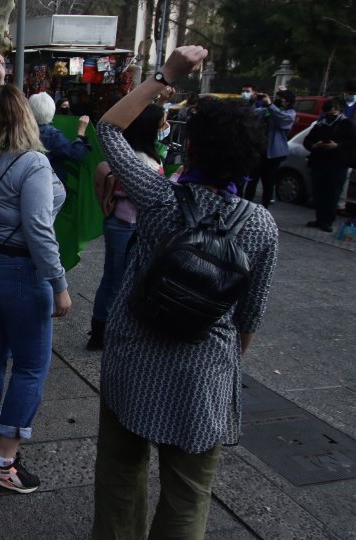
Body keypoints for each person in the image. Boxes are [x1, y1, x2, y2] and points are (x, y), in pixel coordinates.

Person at [90, 46, 279, 538]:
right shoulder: (261, 226)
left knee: (118, 480)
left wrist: (165, 76)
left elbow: (108, 129)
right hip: (204, 373)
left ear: (190, 149)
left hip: (134, 359)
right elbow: (248, 320)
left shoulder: (159, 197)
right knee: (189, 497)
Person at [0, 53, 70, 494]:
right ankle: (5, 461)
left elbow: (1, 109)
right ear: (27, 117)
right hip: (22, 271)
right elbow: (40, 231)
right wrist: (60, 284)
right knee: (30, 367)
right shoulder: (34, 164)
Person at [86, 105, 167, 351]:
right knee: (121, 282)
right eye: (161, 124)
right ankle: (109, 332)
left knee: (110, 277)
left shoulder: (124, 153)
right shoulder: (144, 160)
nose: (164, 128)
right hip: (129, 226)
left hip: (116, 224)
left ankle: (99, 329)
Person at [303, 98, 356, 232]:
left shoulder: (346, 124)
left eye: (332, 114)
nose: (329, 116)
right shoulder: (321, 123)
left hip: (337, 164)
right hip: (319, 162)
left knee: (332, 194)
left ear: (338, 110)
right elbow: (307, 140)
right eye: (327, 114)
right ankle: (319, 218)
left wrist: (337, 145)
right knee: (319, 193)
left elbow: (352, 142)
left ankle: (328, 221)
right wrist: (314, 145)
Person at [243, 89, 295, 208]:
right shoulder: (266, 111)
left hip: (274, 153)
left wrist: (270, 105)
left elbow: (283, 120)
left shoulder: (290, 113)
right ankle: (246, 206)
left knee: (268, 181)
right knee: (252, 180)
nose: (277, 100)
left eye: (280, 98)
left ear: (287, 102)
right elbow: (250, 114)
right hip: (259, 150)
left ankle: (265, 208)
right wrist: (252, 101)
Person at [30, 91, 91, 185]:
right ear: (52, 109)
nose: (67, 108)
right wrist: (81, 132)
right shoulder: (52, 134)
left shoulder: (23, 131)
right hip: (49, 184)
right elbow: (76, 155)